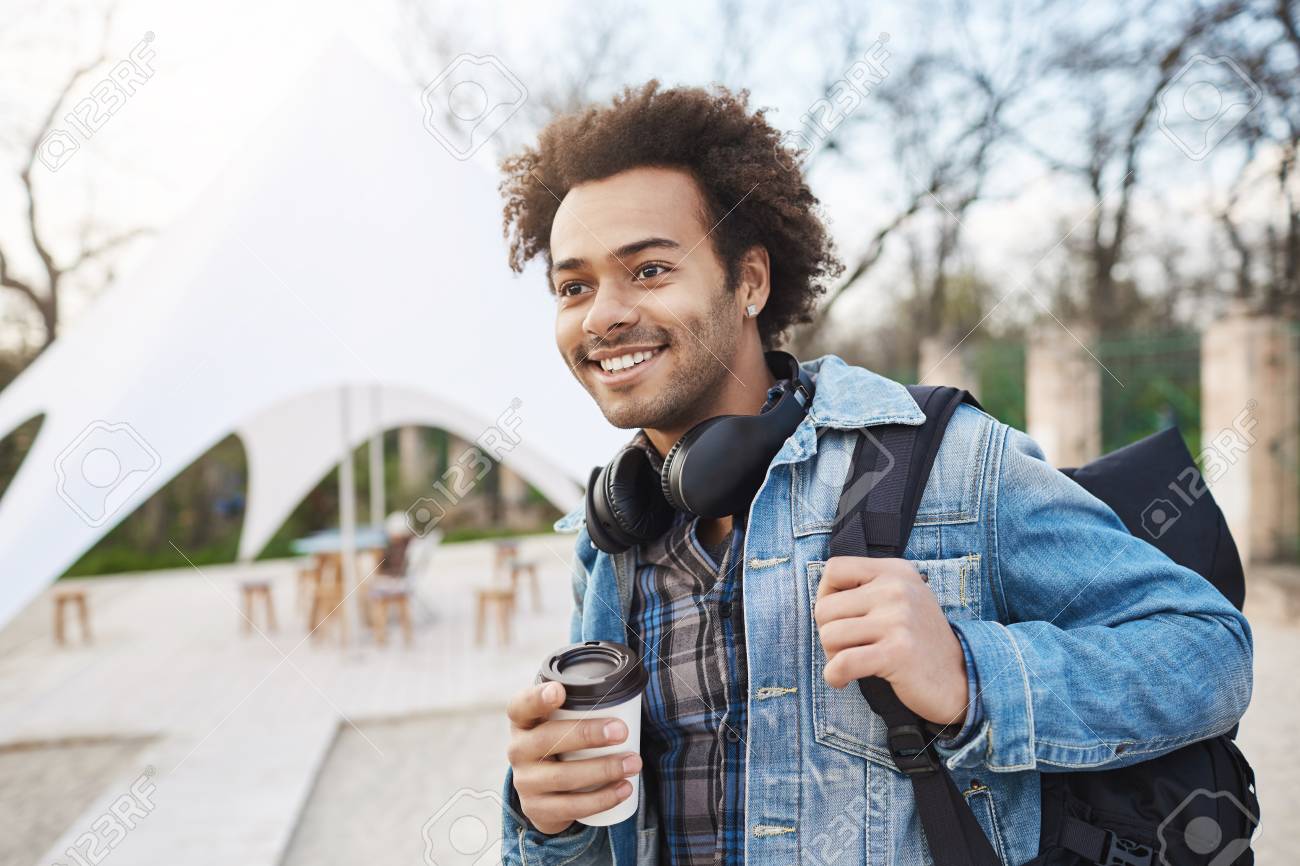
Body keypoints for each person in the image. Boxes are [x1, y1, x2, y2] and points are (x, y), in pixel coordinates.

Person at [494, 81, 1253, 866]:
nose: (601, 315)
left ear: (749, 281)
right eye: (573, 286)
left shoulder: (946, 461)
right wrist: (551, 824)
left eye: (650, 269)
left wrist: (969, 674)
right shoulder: (614, 539)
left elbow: (1208, 652)